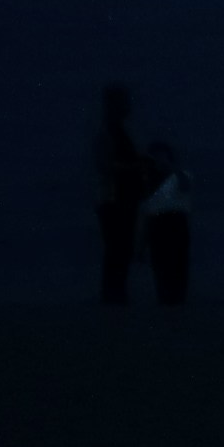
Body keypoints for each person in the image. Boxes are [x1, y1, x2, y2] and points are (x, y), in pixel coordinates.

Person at [92, 82, 153, 312]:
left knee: (120, 250)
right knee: (118, 250)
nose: (128, 106)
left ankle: (115, 296)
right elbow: (105, 167)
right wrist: (136, 166)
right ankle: (113, 297)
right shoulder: (108, 133)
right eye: (123, 102)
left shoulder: (116, 131)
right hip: (113, 200)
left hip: (121, 200)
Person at [136, 139, 195, 310]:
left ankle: (176, 301)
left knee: (178, 265)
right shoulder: (147, 180)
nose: (158, 160)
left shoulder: (180, 175)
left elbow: (185, 186)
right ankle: (166, 301)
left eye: (161, 156)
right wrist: (140, 244)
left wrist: (170, 167)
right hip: (158, 223)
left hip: (176, 222)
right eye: (155, 157)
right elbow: (145, 211)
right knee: (161, 264)